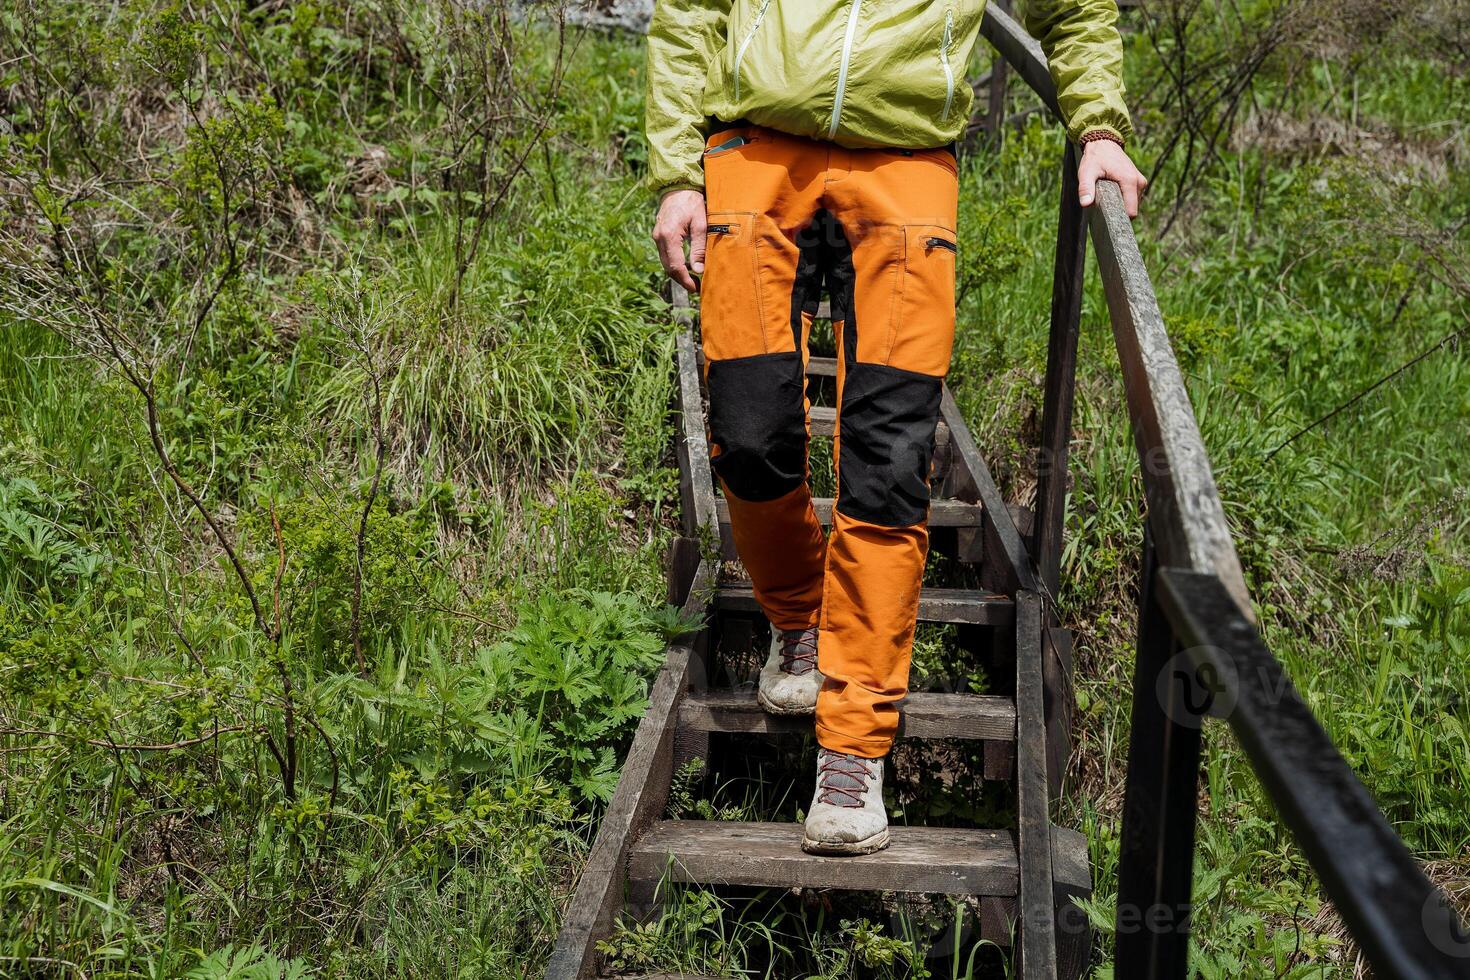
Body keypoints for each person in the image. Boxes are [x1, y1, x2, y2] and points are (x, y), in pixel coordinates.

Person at [645, 0, 1147, 856]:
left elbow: (1074, 8)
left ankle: (854, 744)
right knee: (749, 434)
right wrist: (676, 172)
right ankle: (799, 617)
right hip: (755, 149)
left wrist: (1095, 122)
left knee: (888, 461)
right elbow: (690, 10)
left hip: (908, 164)